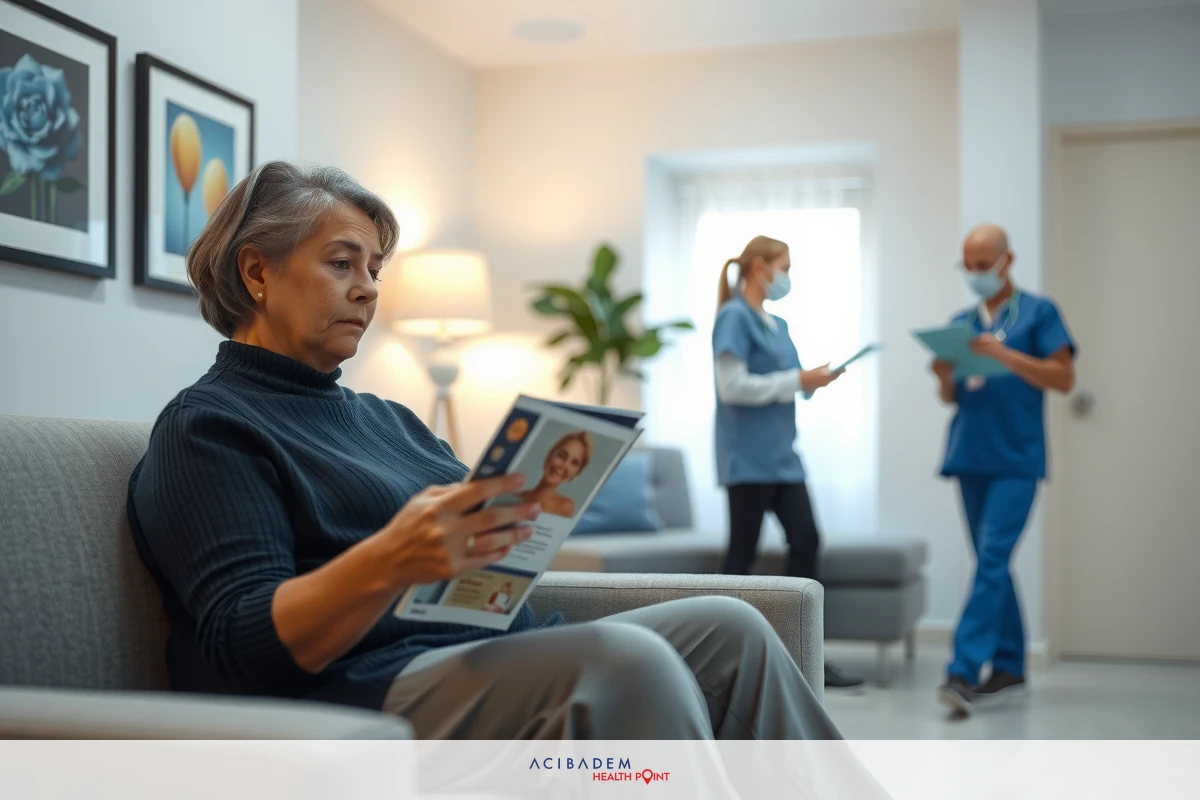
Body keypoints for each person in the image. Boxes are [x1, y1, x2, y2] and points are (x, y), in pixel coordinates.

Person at [126, 161, 842, 741]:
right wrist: (390, 559)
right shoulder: (209, 427)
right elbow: (243, 645)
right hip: (357, 687)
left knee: (732, 627)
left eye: (374, 268)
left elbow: (478, 566)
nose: (368, 290)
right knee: (627, 664)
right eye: (343, 264)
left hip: (474, 652)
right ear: (258, 273)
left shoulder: (391, 420)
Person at [932, 223, 1077, 716]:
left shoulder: (1040, 313)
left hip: (1017, 458)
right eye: (966, 265)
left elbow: (1063, 378)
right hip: (969, 455)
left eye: (982, 264)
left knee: (991, 560)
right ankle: (1011, 666)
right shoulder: (960, 322)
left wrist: (1008, 356)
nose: (974, 273)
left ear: (1006, 261)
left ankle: (962, 671)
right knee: (993, 563)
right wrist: (945, 375)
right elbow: (949, 396)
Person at [711, 235, 864, 689]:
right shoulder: (733, 317)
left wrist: (815, 380)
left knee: (806, 540)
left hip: (783, 457)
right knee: (742, 554)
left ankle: (803, 657)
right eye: (785, 266)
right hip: (748, 458)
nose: (787, 277)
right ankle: (720, 658)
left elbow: (791, 383)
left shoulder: (776, 324)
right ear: (759, 267)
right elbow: (732, 387)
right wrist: (798, 378)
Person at [513, 431, 592, 518]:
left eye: (574, 463)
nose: (564, 465)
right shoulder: (516, 497)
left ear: (577, 472)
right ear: (550, 454)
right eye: (561, 455)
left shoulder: (565, 506)